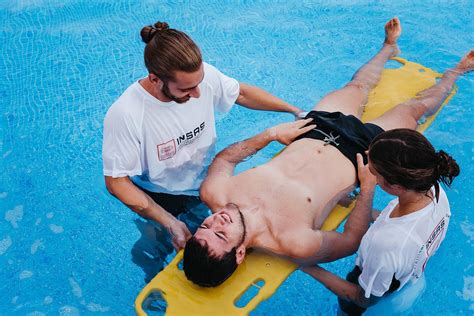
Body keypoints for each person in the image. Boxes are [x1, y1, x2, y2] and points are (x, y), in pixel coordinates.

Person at [182, 17, 473, 287]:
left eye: (206, 225)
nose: (217, 220)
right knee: (413, 109)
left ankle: (388, 48)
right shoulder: (293, 242)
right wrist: (368, 185)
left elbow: (225, 159)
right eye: (221, 234)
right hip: (362, 153)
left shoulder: (214, 195)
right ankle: (457, 72)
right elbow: (350, 240)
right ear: (241, 253)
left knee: (357, 86)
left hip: (310, 130)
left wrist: (270, 135)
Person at [102, 21, 303, 250]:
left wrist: (295, 111)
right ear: (155, 79)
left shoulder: (200, 78)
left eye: (199, 82)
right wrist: (169, 222)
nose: (198, 93)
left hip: (204, 181)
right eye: (186, 89)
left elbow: (242, 93)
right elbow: (116, 182)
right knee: (155, 247)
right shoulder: (126, 114)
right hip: (159, 195)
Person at [302, 128, 460, 315]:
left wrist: (306, 266)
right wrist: (355, 204)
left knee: (346, 310)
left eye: (372, 172)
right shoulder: (433, 190)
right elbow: (393, 222)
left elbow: (362, 299)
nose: (368, 171)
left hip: (372, 294)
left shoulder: (385, 245)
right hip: (408, 274)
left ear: (396, 187)